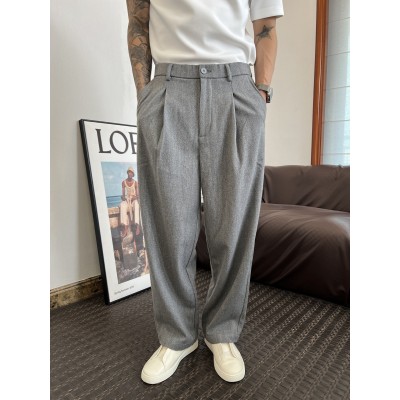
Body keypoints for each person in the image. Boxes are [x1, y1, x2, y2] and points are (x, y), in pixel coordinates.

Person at [126, 0, 284, 385]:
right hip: (168, 86)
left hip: (235, 87)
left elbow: (265, 27)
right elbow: (138, 21)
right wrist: (145, 95)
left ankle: (222, 331)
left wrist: (261, 92)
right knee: (169, 227)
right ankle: (176, 336)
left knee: (232, 226)